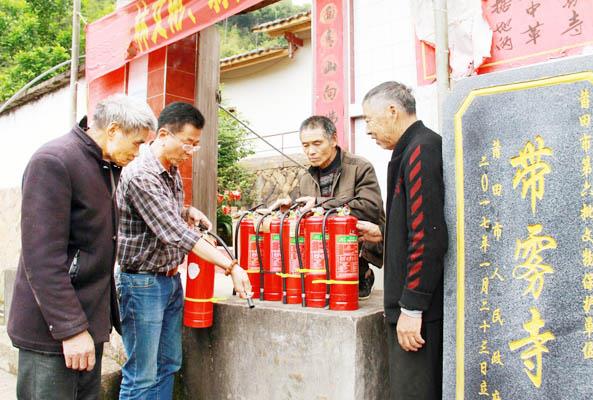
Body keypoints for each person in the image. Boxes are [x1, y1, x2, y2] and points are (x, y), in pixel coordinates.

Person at [8, 95, 157, 400]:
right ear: (113, 130)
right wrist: (71, 329)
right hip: (53, 333)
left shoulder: (105, 166)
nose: (139, 152)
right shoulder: (54, 161)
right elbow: (42, 259)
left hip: (87, 324)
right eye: (138, 143)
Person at [116, 102, 253, 400]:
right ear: (164, 135)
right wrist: (230, 266)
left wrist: (187, 210)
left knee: (168, 364)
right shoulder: (141, 175)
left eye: (195, 144)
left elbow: (167, 214)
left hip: (168, 279)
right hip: (142, 284)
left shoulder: (171, 168)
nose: (191, 151)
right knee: (142, 374)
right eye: (188, 143)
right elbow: (177, 233)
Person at [356, 82, 448, 399]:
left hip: (418, 313)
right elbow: (413, 224)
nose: (368, 129)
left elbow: (429, 236)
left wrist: (412, 307)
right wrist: (383, 234)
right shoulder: (408, 150)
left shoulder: (422, 149)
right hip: (409, 309)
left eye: (370, 119)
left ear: (393, 111)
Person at [279, 115, 385, 299]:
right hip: (320, 250)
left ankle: (363, 274)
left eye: (317, 143)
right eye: (305, 145)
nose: (311, 151)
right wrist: (289, 210)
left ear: (334, 139)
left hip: (357, 245)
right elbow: (307, 213)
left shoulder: (360, 167)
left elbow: (370, 208)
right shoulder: (306, 178)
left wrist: (319, 203)